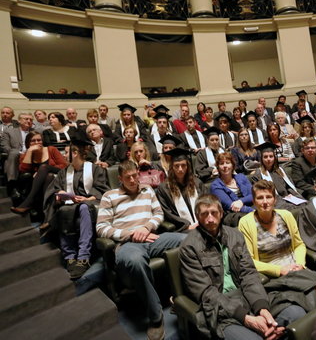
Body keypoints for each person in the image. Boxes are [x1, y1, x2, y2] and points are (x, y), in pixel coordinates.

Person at [180, 194, 305, 339]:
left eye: (214, 213)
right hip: (219, 307)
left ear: (221, 213)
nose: (210, 219)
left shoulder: (235, 235)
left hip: (246, 294)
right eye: (204, 214)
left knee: (296, 314)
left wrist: (261, 308)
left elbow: (249, 274)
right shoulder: (189, 247)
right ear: (197, 216)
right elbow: (206, 293)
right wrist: (246, 318)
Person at [97, 160, 185, 340]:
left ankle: (182, 297)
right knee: (135, 261)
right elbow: (101, 228)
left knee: (187, 240)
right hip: (128, 244)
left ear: (138, 173)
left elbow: (158, 214)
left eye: (134, 175)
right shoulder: (109, 196)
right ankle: (155, 316)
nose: (132, 179)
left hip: (152, 238)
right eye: (127, 177)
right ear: (119, 178)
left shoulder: (147, 190)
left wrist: (145, 229)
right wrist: (130, 234)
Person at [239, 180, 316, 302]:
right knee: (301, 308)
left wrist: (300, 264)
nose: (265, 202)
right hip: (273, 277)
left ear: (275, 199)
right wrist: (280, 270)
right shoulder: (246, 223)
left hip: (297, 269)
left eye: (269, 197)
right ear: (254, 202)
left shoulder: (286, 215)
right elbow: (250, 261)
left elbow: (299, 244)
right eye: (260, 198)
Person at [44, 136, 110, 278]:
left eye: (66, 152)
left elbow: (102, 189)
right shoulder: (63, 172)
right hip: (69, 205)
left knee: (83, 208)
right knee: (62, 211)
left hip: (90, 204)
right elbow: (55, 190)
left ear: (74, 153)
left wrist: (88, 198)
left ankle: (83, 257)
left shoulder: (94, 169)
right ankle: (69, 257)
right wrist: (60, 194)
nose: (64, 156)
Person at [11, 131, 67, 215]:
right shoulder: (26, 154)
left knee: (44, 168)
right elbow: (23, 170)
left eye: (39, 140)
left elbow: (63, 166)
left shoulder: (51, 149)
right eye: (33, 141)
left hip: (58, 175)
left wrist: (42, 171)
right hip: (42, 182)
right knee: (49, 176)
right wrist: (29, 152)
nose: (37, 142)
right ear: (28, 143)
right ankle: (47, 213)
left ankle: (27, 203)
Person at [156, 148, 206, 232]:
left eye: (183, 165)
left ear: (188, 166)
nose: (180, 169)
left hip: (203, 222)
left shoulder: (197, 183)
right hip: (182, 228)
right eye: (177, 166)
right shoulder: (164, 188)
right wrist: (186, 225)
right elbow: (167, 213)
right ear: (171, 167)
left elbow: (206, 202)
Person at [252, 142, 305, 211]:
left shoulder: (281, 170)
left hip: (288, 198)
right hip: (275, 201)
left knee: (305, 204)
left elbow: (289, 186)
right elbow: (264, 194)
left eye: (271, 156)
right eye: (265, 157)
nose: (268, 159)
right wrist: (284, 199)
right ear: (261, 159)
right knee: (293, 209)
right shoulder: (258, 174)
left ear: (274, 157)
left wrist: (292, 195)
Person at [210, 152, 254, 226]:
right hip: (232, 215)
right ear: (218, 167)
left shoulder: (241, 177)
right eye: (221, 163)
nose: (225, 166)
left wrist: (241, 201)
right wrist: (254, 211)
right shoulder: (215, 186)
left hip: (250, 206)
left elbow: (253, 194)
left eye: (227, 162)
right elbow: (230, 206)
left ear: (232, 165)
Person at [1, 112, 34, 187]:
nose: (29, 121)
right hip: (15, 155)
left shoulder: (34, 132)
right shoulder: (9, 131)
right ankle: (12, 183)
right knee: (13, 153)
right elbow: (5, 146)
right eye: (26, 119)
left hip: (31, 154)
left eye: (31, 120)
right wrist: (18, 152)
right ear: (19, 121)